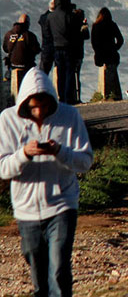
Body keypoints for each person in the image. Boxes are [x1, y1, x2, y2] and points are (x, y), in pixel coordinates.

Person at [0, 69, 94, 297]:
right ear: (24, 104)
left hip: (62, 203)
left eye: (44, 106)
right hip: (26, 208)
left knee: (59, 269)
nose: (39, 112)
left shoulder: (69, 116)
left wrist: (60, 151)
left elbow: (85, 161)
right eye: (33, 107)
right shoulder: (8, 120)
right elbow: (3, 168)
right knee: (38, 273)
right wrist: (23, 154)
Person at [46, 0, 87, 105]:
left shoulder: (50, 17)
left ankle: (61, 97)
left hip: (57, 47)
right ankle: (69, 97)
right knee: (70, 73)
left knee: (60, 74)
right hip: (69, 48)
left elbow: (48, 34)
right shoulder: (69, 16)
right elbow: (76, 33)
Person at [89, 8, 124, 101]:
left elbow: (94, 43)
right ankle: (114, 94)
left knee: (104, 75)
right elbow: (120, 40)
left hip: (101, 55)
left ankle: (105, 95)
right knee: (113, 76)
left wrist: (98, 52)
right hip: (112, 54)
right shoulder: (112, 25)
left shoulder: (95, 26)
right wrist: (115, 48)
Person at [4, 15, 41, 92]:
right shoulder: (29, 35)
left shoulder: (8, 34)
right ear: (27, 23)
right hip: (27, 67)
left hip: (13, 65)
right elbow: (36, 49)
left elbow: (5, 49)